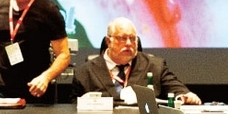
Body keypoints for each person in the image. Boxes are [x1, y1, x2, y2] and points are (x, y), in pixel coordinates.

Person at [72, 17, 201, 104]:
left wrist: (185, 95)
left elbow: (176, 88)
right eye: (122, 38)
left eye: (133, 38)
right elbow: (72, 110)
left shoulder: (154, 66)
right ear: (108, 41)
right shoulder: (85, 72)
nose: (129, 43)